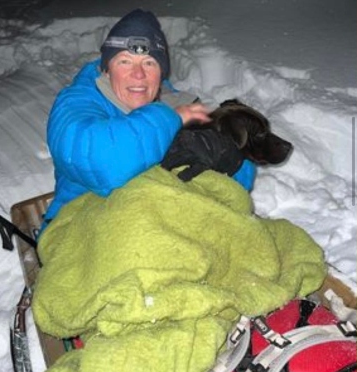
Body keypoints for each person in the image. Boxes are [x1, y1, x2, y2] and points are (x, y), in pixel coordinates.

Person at [42, 9, 256, 226]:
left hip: (163, 217)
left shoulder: (179, 102)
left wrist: (227, 159)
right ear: (107, 69)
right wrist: (171, 119)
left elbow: (238, 187)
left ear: (161, 73)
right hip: (80, 224)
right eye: (125, 61)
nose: (138, 74)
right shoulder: (75, 103)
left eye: (149, 63)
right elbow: (104, 162)